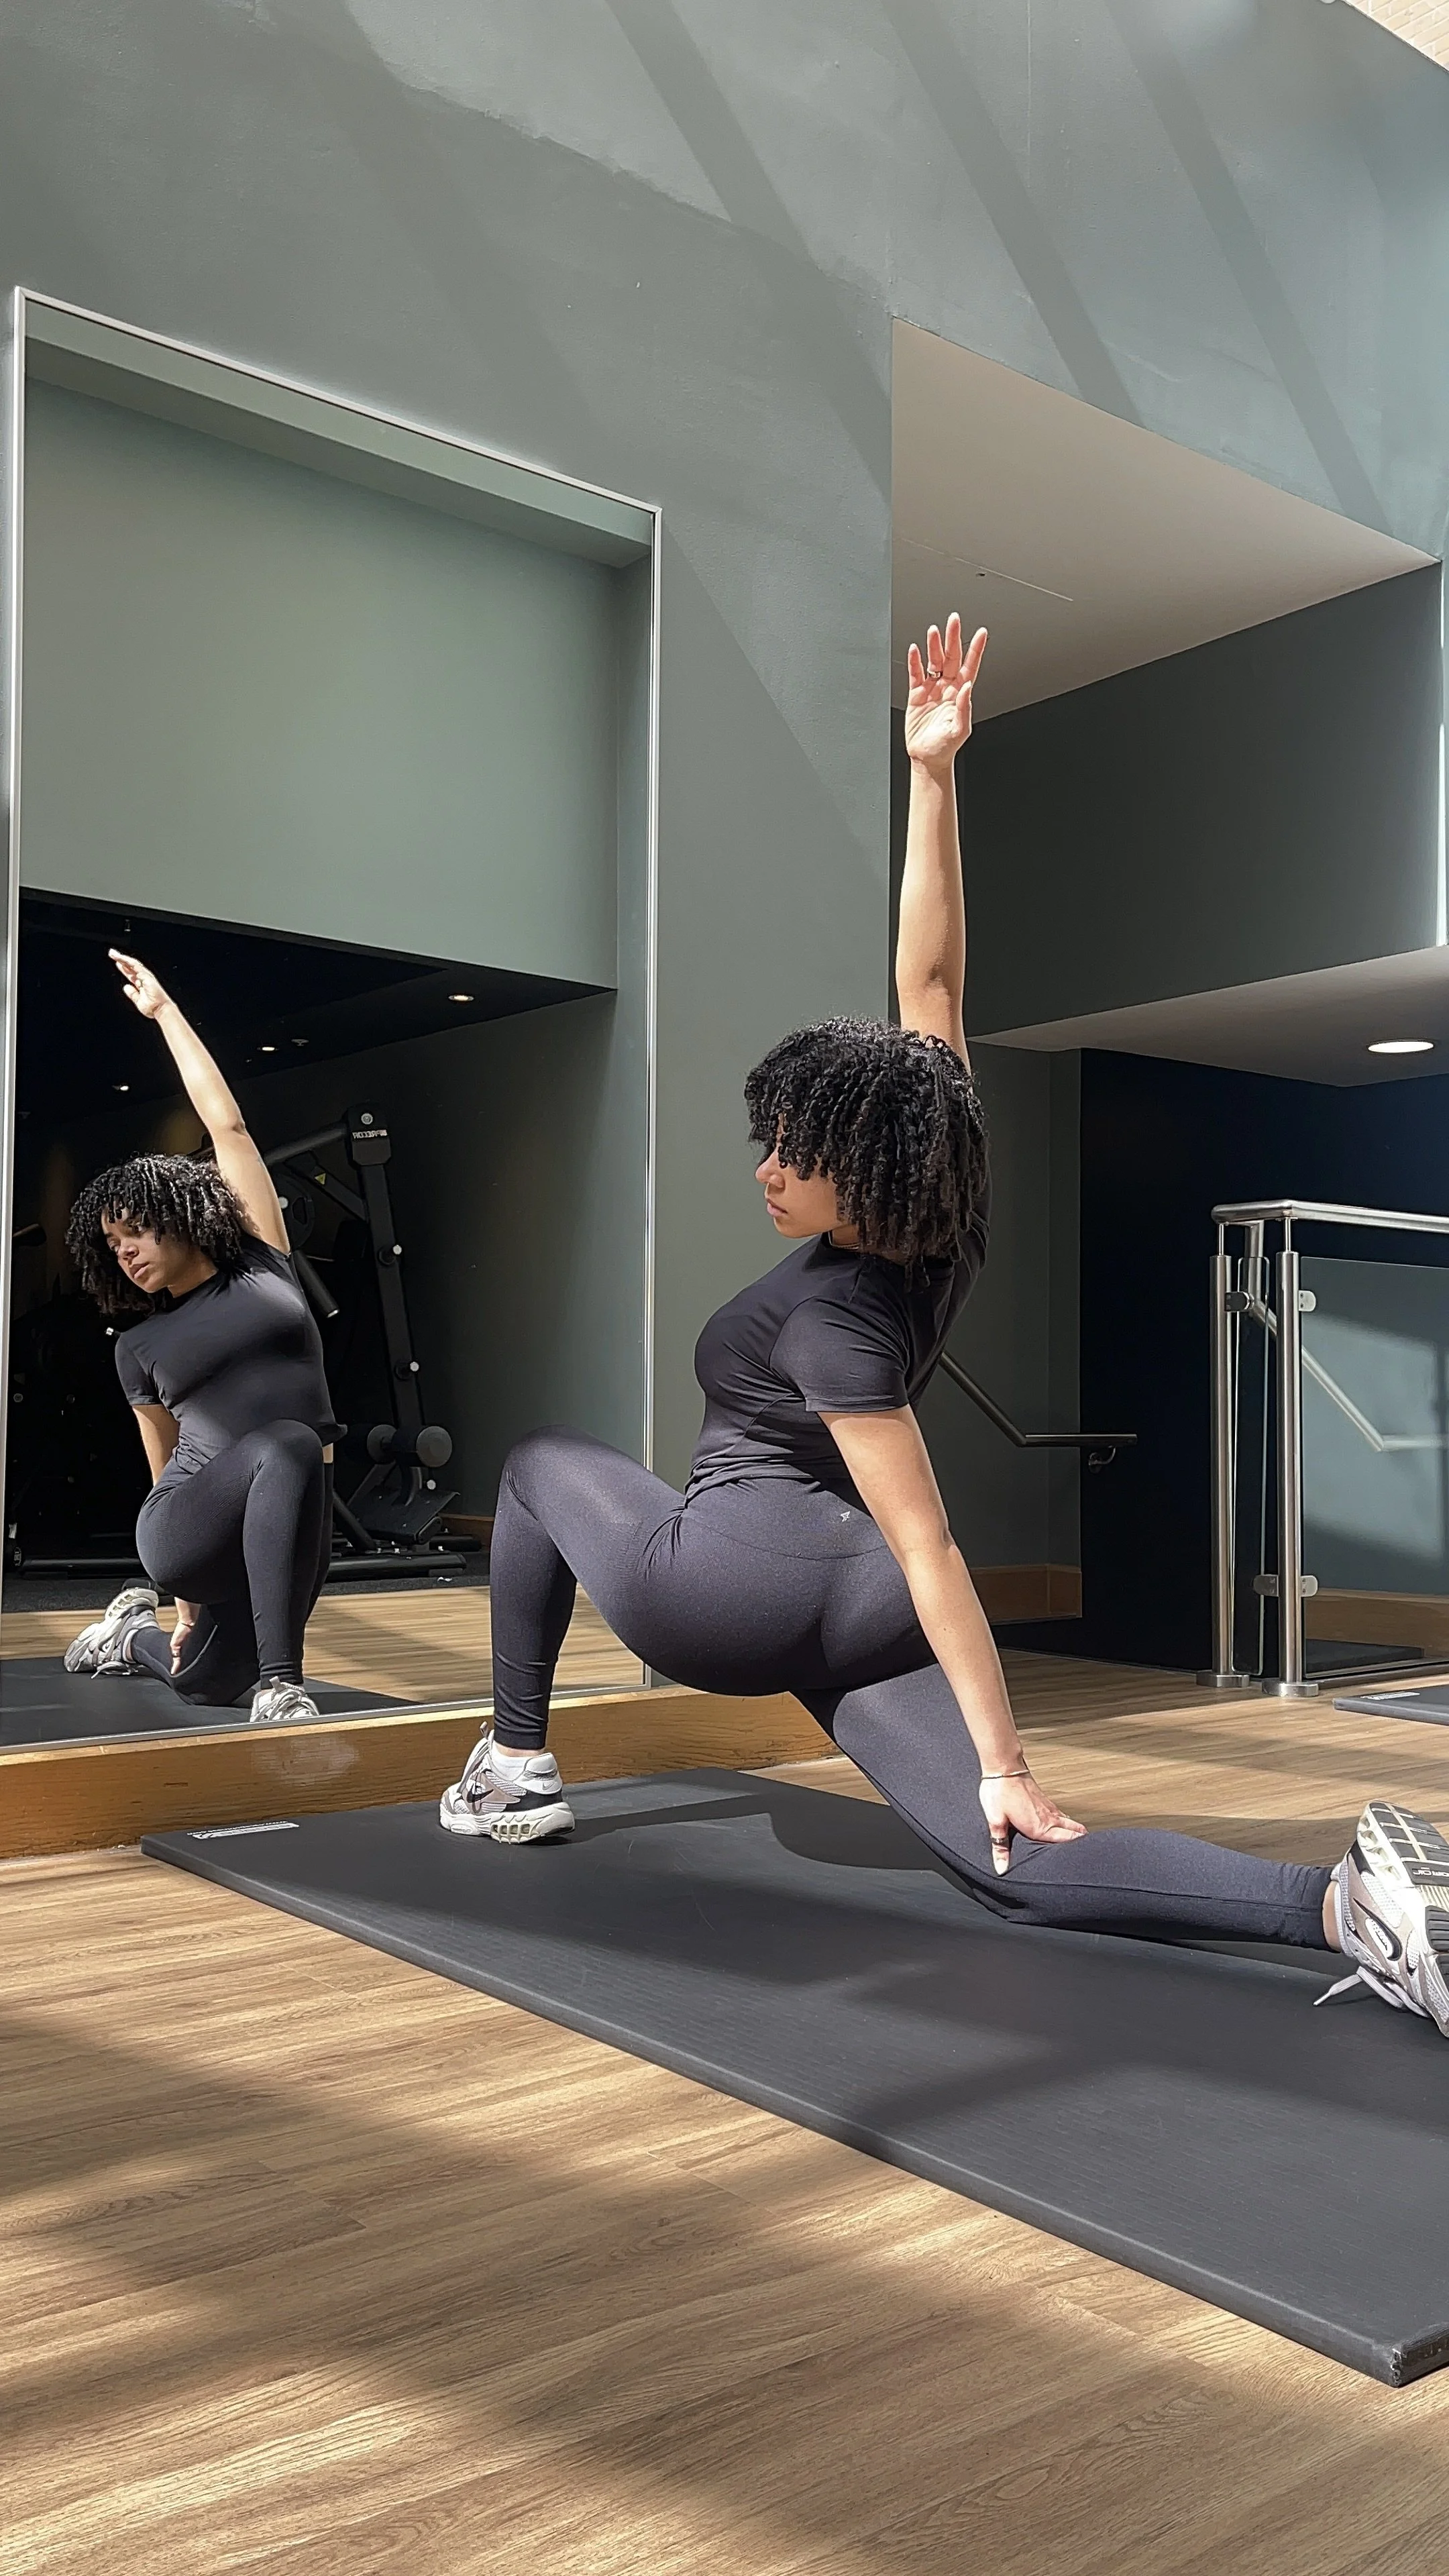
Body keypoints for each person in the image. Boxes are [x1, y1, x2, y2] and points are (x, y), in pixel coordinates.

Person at [439, 614, 1449, 2043]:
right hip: (852, 1604)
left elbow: (935, 1538)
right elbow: (931, 987)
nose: (764, 1168)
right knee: (1017, 1865)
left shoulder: (838, 1320)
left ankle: (517, 1761)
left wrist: (1002, 1747)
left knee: (541, 1459)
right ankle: (1351, 1910)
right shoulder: (944, 1218)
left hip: (726, 1586)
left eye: (789, 1149)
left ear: (867, 1159)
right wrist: (933, 772)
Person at [62, 951, 341, 1724]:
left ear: (182, 1217)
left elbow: (228, 1125)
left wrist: (164, 1014)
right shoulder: (138, 1348)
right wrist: (183, 1592)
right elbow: (162, 1464)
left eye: (137, 1231)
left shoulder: (262, 1264)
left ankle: (129, 1640)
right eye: (113, 1244)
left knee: (206, 1682)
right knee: (287, 1441)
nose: (126, 1250)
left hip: (292, 1510)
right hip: (188, 1523)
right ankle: (286, 1686)